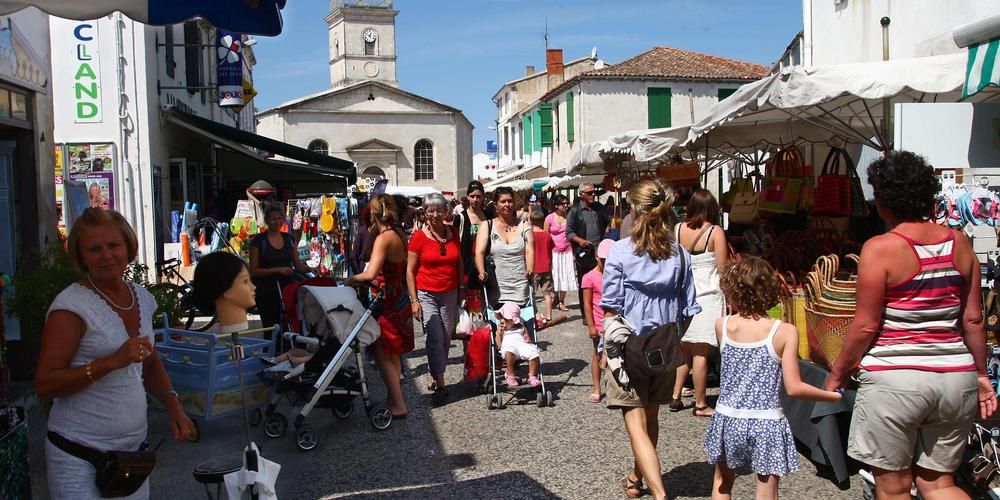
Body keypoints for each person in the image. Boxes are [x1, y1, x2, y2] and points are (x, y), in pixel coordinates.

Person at [823, 151, 997, 499]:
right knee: (939, 483)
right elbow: (973, 319)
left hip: (895, 379)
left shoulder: (880, 249)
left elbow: (866, 326)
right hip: (955, 376)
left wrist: (836, 376)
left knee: (894, 487)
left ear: (883, 200)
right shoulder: (959, 243)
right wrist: (981, 375)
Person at [36, 207, 195, 500]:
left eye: (113, 245)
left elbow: (149, 362)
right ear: (81, 257)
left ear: (128, 247)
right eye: (94, 249)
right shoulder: (71, 307)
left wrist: (174, 406)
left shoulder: (141, 297)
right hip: (78, 457)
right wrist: (110, 362)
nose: (106, 255)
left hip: (131, 457)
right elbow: (46, 384)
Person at [707, 256, 843, 500]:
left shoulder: (722, 325)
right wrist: (832, 396)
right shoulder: (784, 332)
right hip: (767, 421)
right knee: (766, 489)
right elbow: (794, 387)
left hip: (728, 417)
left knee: (722, 482)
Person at [600, 180, 699, 500]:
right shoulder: (681, 255)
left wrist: (605, 350)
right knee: (651, 417)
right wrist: (672, 336)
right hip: (664, 347)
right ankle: (635, 477)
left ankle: (659, 493)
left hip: (628, 346)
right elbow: (689, 309)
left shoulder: (619, 251)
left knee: (635, 423)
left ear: (633, 209)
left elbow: (611, 307)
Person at [345, 194, 414, 418]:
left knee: (381, 351)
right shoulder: (399, 234)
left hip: (385, 301)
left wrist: (349, 280)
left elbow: (370, 273)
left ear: (373, 213)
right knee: (392, 353)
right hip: (399, 297)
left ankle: (399, 403)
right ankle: (394, 399)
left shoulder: (384, 238)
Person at [671, 189, 729, 416]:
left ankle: (675, 395)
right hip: (707, 296)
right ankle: (700, 403)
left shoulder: (677, 230)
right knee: (701, 352)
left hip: (682, 297)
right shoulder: (715, 232)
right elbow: (723, 271)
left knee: (684, 348)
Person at [406, 193, 462, 398]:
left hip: (450, 292)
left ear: (446, 211)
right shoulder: (418, 237)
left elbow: (459, 262)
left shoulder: (453, 232)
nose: (435, 214)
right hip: (426, 293)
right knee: (434, 337)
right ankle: (440, 381)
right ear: (425, 213)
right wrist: (414, 301)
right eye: (431, 210)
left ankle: (435, 370)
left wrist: (462, 289)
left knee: (446, 338)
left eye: (439, 210)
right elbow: (409, 271)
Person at [248, 203, 312, 330]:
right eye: (273, 219)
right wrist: (278, 270)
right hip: (267, 292)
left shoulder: (288, 239)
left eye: (279, 218)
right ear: (267, 221)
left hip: (288, 290)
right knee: (271, 328)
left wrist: (310, 269)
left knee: (289, 326)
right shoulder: (259, 241)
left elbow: (297, 265)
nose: (277, 222)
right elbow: (254, 271)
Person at [475, 186, 534, 309]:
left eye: (510, 201)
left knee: (522, 325)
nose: (507, 204)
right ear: (496, 205)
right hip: (496, 287)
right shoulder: (487, 225)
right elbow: (479, 252)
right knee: (499, 326)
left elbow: (529, 250)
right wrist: (481, 271)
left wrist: (530, 268)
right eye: (503, 201)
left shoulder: (524, 225)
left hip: (520, 286)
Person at [567, 182, 609, 310]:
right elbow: (569, 232)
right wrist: (581, 241)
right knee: (585, 283)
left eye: (594, 192)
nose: (593, 195)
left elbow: (607, 223)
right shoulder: (574, 211)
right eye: (590, 193)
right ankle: (586, 313)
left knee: (602, 281)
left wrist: (606, 237)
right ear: (581, 195)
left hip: (600, 250)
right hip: (584, 252)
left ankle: (601, 309)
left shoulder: (599, 208)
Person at [581, 239, 613, 403]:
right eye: (603, 260)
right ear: (596, 257)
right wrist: (591, 325)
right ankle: (596, 387)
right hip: (599, 323)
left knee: (616, 356)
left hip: (615, 322)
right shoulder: (589, 277)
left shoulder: (616, 275)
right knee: (597, 355)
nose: (606, 263)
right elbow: (586, 304)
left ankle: (614, 388)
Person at [495, 302, 541, 388]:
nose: (502, 320)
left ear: (513, 321)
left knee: (534, 352)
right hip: (508, 347)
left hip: (521, 346)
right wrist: (499, 335)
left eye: (505, 318)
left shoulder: (521, 327)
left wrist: (527, 338)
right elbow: (498, 345)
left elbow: (527, 337)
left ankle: (532, 376)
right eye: (501, 318)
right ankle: (510, 375)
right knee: (509, 352)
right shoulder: (502, 330)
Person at [545, 194, 576, 312]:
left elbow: (572, 233)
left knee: (565, 276)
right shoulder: (549, 218)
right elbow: (545, 235)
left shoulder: (569, 217)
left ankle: (562, 301)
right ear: (556, 205)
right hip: (554, 251)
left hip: (567, 250)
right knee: (555, 276)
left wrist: (574, 252)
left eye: (566, 203)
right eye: (563, 204)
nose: (566, 205)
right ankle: (556, 298)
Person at [530, 209, 555, 322]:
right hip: (546, 266)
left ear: (530, 221)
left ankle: (532, 314)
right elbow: (550, 250)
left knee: (531, 294)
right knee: (547, 293)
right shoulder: (547, 235)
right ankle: (549, 315)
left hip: (533, 267)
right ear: (543, 221)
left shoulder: (529, 235)